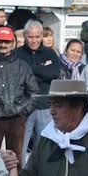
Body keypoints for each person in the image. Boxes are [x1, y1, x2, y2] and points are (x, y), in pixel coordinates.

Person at [0, 26, 38, 174]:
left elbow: (34, 93)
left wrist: (22, 111)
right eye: (0, 41)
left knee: (16, 157)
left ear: (13, 43)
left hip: (17, 118)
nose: (3, 45)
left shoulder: (23, 66)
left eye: (7, 42)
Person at [17, 20, 61, 155]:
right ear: (25, 36)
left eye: (37, 37)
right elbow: (19, 77)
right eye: (30, 37)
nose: (34, 40)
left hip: (44, 106)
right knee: (20, 147)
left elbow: (54, 72)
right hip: (24, 106)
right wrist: (42, 70)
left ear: (42, 36)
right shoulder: (17, 54)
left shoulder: (50, 53)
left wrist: (30, 69)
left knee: (44, 148)